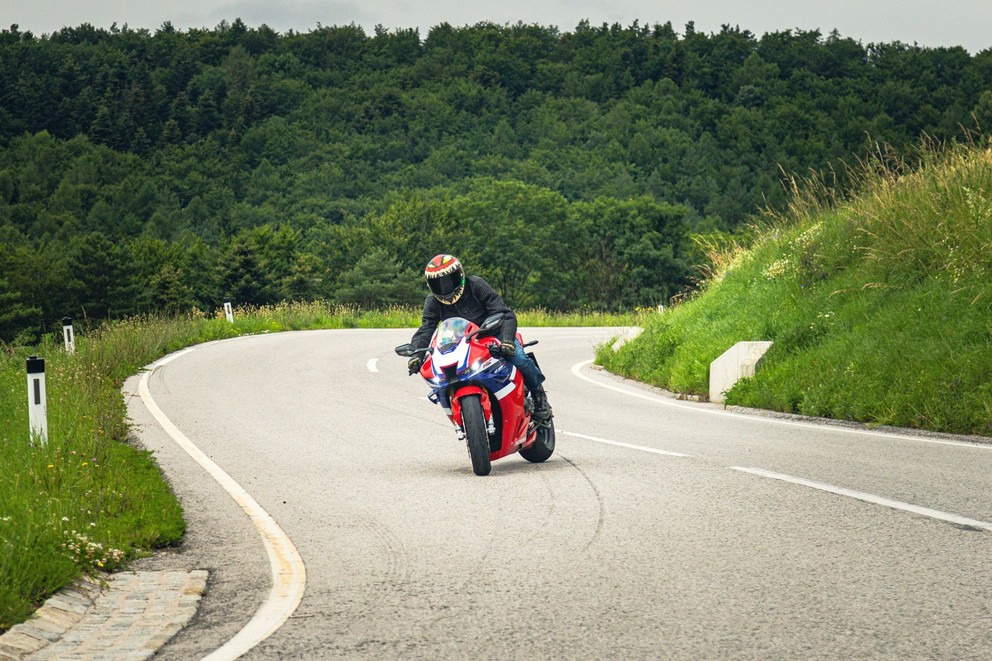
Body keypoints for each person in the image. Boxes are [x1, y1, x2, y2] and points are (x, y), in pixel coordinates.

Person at [409, 254, 553, 422]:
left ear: (460, 275)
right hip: (462, 344)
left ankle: (539, 395)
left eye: (449, 280)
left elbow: (505, 313)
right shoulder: (432, 302)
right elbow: (426, 329)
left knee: (518, 358)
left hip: (494, 335)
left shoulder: (476, 285)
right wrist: (416, 355)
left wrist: (507, 340)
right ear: (430, 285)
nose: (445, 288)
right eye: (438, 284)